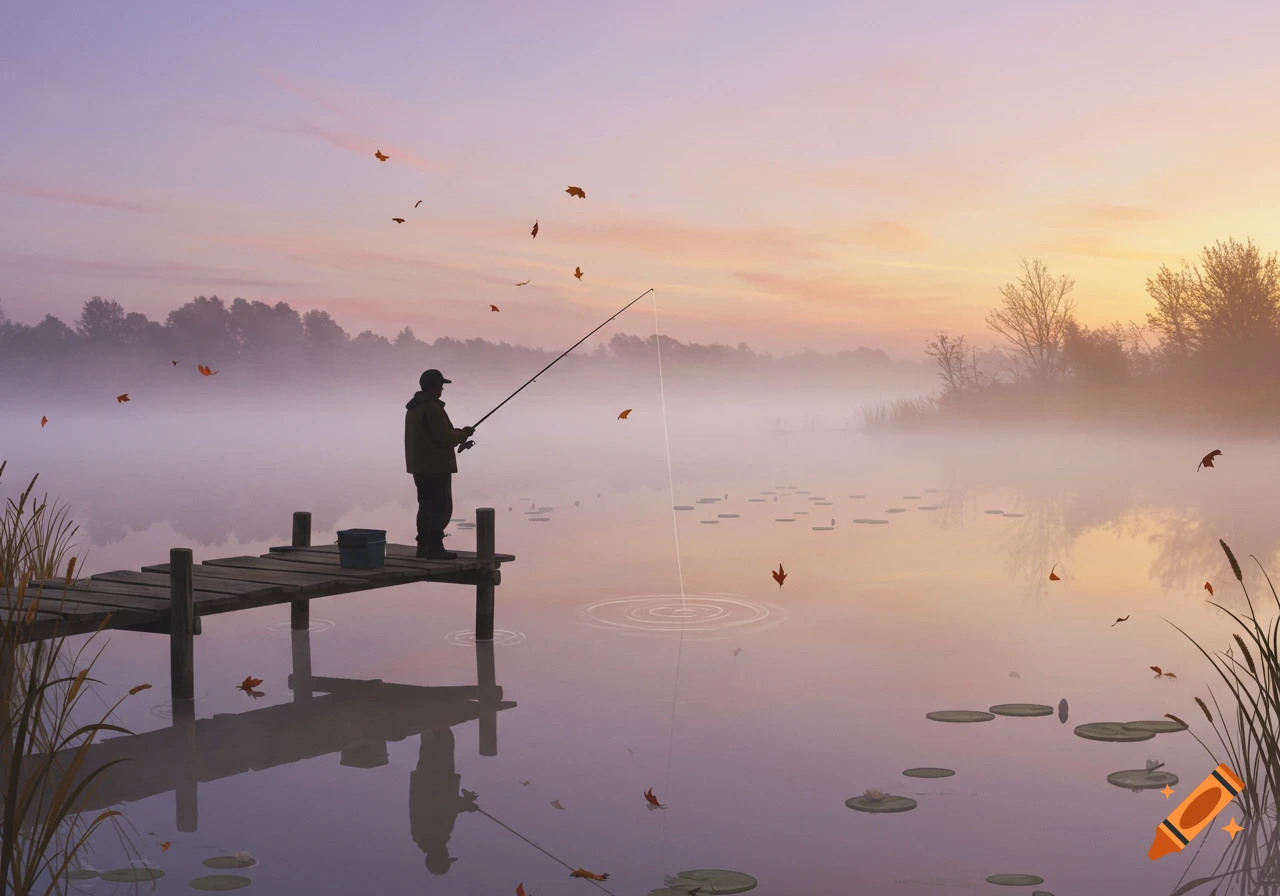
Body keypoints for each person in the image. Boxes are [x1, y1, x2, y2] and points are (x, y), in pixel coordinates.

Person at [405, 369, 474, 559]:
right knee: (441, 507)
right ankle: (434, 548)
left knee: (425, 506)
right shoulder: (431, 407)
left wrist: (459, 434)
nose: (442, 388)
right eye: (441, 385)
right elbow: (444, 437)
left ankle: (423, 547)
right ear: (434, 386)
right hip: (435, 466)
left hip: (419, 466)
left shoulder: (414, 407)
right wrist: (464, 433)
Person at [409, 727, 479, 875]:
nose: (447, 853)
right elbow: (446, 807)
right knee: (438, 736)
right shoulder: (427, 837)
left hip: (435, 777)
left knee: (441, 737)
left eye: (446, 856)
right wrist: (465, 802)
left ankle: (429, 710)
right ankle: (428, 711)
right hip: (432, 777)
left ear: (438, 858)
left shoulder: (434, 837)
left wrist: (465, 804)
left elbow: (441, 806)